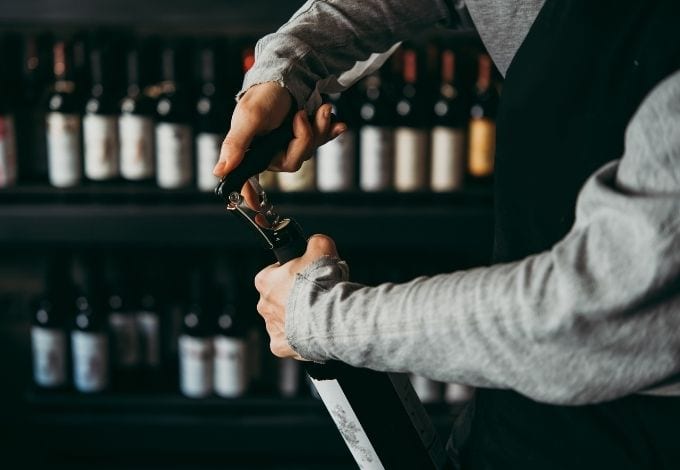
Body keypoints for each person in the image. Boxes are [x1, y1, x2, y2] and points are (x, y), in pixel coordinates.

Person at [213, 1, 680, 468]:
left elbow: (589, 311)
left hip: (635, 432)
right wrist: (286, 69)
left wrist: (323, 320)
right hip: (507, 406)